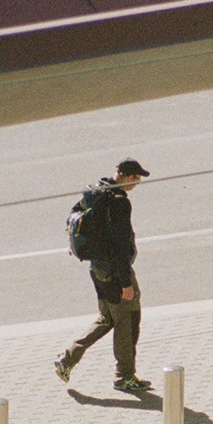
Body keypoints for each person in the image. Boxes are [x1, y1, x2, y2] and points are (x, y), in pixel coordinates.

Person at [55, 158, 152, 392]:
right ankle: (125, 376)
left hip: (97, 268)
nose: (136, 184)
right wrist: (125, 282)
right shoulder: (119, 203)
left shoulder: (96, 192)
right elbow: (119, 245)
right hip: (114, 271)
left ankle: (67, 359)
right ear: (128, 177)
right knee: (127, 321)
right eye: (136, 179)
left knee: (107, 318)